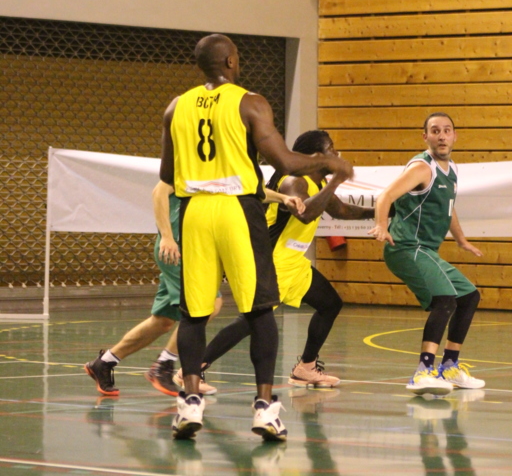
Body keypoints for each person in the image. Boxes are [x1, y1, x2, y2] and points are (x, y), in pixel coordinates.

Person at [160, 33, 353, 440]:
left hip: (194, 213)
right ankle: (265, 409)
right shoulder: (250, 102)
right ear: (231, 61)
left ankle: (190, 402)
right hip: (237, 210)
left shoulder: (176, 107)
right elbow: (285, 160)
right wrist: (329, 162)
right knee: (260, 310)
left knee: (193, 314)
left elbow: (167, 174)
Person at [84, 180, 302, 398]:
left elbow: (248, 188)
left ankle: (104, 363)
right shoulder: (187, 166)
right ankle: (164, 366)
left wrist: (283, 198)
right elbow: (159, 192)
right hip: (177, 249)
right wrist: (167, 236)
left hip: (197, 248)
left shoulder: (224, 170)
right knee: (209, 303)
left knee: (163, 321)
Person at [198, 129, 374, 388]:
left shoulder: (316, 184)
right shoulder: (294, 181)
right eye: (331, 149)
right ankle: (194, 369)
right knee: (251, 322)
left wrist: (385, 210)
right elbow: (305, 214)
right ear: (316, 156)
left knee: (330, 304)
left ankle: (306, 368)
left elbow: (341, 210)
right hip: (273, 261)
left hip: (293, 263)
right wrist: (337, 180)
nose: (337, 154)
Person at [369, 112, 485, 396]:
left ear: (455, 135)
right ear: (426, 137)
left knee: (469, 297)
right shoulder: (422, 167)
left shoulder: (451, 169)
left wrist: (461, 240)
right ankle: (423, 372)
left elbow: (449, 208)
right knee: (444, 300)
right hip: (406, 247)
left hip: (426, 250)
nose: (442, 136)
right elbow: (385, 196)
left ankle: (450, 366)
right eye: (435, 131)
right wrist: (381, 225)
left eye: (447, 130)